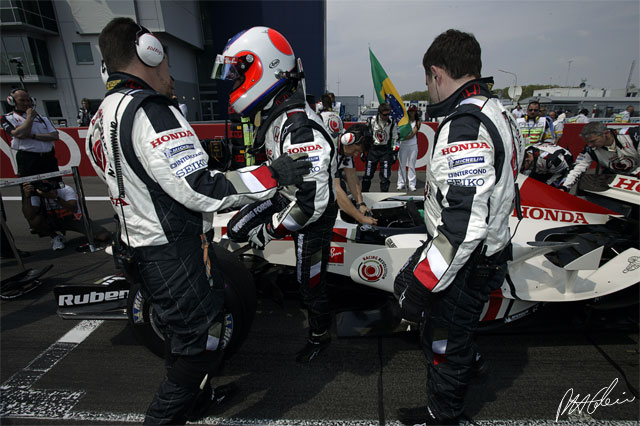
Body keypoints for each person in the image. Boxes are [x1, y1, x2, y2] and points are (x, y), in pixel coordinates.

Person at [86, 18, 311, 425]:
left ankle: (199, 400)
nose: (170, 71)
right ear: (149, 53)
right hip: (174, 251)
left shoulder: (101, 114)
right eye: (165, 59)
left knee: (181, 334)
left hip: (139, 246)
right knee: (199, 346)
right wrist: (273, 174)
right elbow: (201, 189)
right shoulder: (151, 110)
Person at [394, 29, 524, 425]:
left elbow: (462, 227)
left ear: (436, 74)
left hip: (467, 258)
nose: (429, 91)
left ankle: (445, 415)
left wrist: (423, 286)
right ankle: (468, 359)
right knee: (417, 298)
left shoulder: (465, 125)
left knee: (442, 340)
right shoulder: (498, 111)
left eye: (427, 82)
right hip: (487, 249)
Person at [215, 26, 338, 364]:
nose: (233, 81)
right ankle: (259, 281)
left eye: (238, 72)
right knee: (238, 229)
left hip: (312, 212)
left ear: (263, 67)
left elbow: (310, 205)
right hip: (289, 196)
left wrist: (269, 230)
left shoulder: (298, 128)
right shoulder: (279, 116)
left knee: (308, 280)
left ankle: (319, 335)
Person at [21, 179, 111, 250]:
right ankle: (55, 237)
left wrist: (55, 197)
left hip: (71, 218)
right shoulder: (36, 194)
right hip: (51, 220)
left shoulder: (65, 189)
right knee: (34, 222)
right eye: (42, 185)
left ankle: (90, 234)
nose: (45, 188)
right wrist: (27, 197)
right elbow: (29, 216)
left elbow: (73, 208)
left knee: (103, 235)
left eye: (47, 184)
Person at [561, 121, 639, 191]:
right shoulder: (590, 149)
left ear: (606, 134)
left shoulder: (632, 136)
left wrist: (634, 174)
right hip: (615, 179)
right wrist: (564, 187)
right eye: (587, 142)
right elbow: (578, 168)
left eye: (593, 141)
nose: (590, 145)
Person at [1, 88, 60, 179]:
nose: (26, 103)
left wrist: (32, 136)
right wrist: (29, 118)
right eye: (22, 100)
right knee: (31, 189)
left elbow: (54, 136)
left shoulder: (42, 118)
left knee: (56, 188)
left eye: (28, 100)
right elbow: (18, 134)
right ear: (12, 101)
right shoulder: (8, 118)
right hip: (28, 159)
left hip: (48, 158)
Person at [335, 123, 376, 225]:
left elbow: (352, 178)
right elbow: (335, 189)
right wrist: (360, 218)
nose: (356, 154)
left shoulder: (346, 151)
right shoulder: (329, 149)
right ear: (348, 139)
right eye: (356, 150)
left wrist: (360, 204)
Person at [362, 103, 398, 192]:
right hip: (372, 150)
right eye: (385, 114)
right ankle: (364, 194)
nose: (387, 116)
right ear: (379, 113)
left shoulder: (392, 122)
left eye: (388, 114)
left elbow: (395, 138)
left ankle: (384, 197)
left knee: (385, 176)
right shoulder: (371, 121)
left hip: (385, 151)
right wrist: (363, 151)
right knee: (368, 174)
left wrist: (394, 152)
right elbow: (365, 136)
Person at [397, 105, 421, 191]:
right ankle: (401, 183)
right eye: (410, 111)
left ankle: (412, 184)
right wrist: (400, 138)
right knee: (402, 165)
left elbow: (413, 134)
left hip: (413, 145)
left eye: (413, 111)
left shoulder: (417, 122)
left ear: (415, 112)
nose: (411, 113)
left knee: (411, 165)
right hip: (403, 145)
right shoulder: (404, 121)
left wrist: (402, 138)